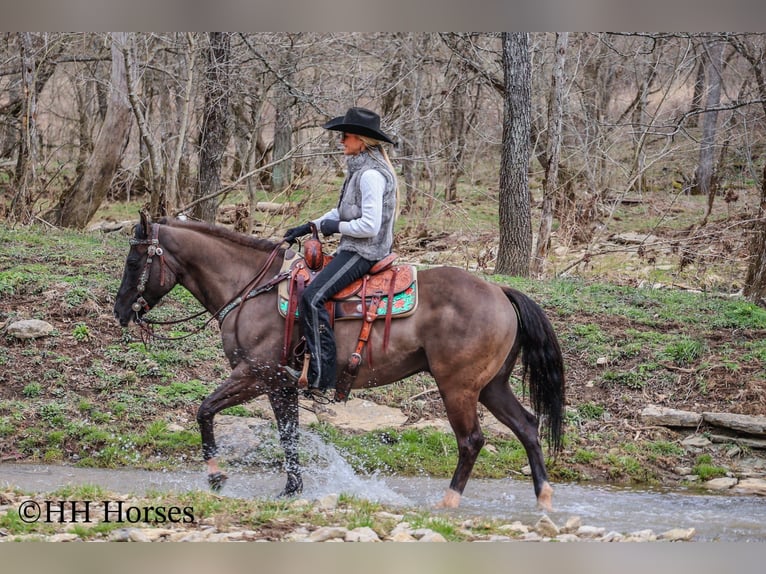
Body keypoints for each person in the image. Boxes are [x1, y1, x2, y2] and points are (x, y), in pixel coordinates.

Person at [283, 107, 398, 399]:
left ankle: (323, 375)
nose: (341, 141)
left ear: (360, 139)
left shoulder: (371, 174)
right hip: (354, 246)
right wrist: (310, 226)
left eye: (345, 136)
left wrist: (337, 227)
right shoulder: (359, 169)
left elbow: (369, 226)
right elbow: (342, 211)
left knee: (313, 297)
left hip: (365, 252)